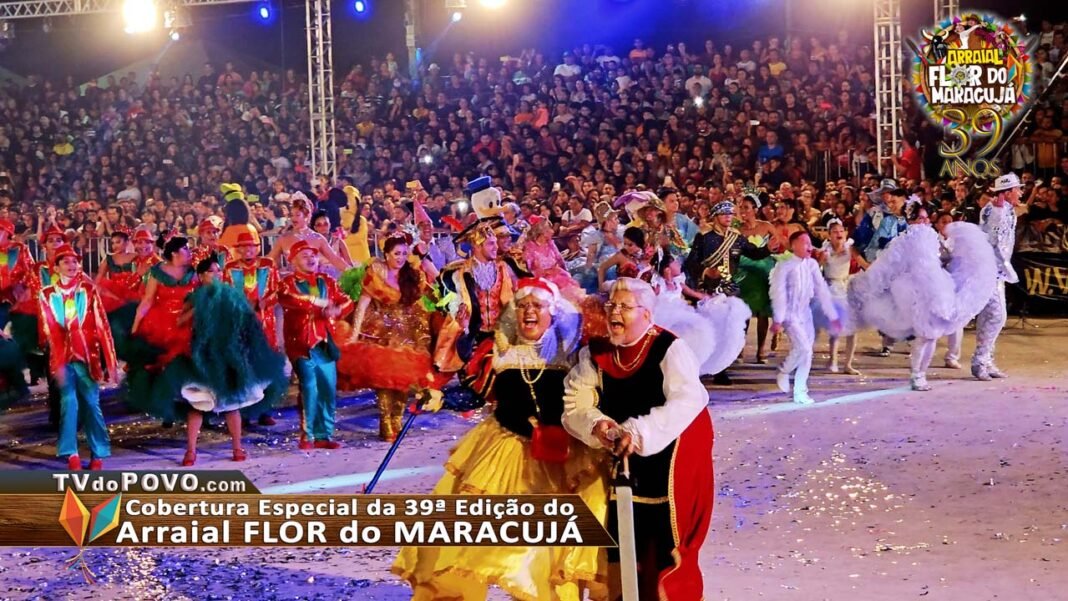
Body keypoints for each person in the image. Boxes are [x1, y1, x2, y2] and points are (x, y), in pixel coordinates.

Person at [393, 278, 609, 601]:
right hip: (505, 451)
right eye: (522, 306)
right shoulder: (499, 352)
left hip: (562, 453)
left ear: (552, 312)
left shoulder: (572, 352)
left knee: (550, 544)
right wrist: (441, 399)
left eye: (537, 306)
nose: (528, 313)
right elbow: (475, 395)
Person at [563, 277, 713, 601]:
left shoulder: (669, 348)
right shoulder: (596, 352)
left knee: (664, 542)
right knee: (620, 540)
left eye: (625, 307)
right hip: (618, 461)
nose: (615, 312)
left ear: (646, 314)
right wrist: (598, 425)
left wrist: (638, 431)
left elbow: (688, 399)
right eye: (611, 306)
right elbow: (576, 401)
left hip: (671, 459)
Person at [847, 203, 996, 391]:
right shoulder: (905, 240)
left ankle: (921, 373)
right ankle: (917, 374)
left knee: (931, 336)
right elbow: (891, 264)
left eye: (926, 218)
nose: (924, 221)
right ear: (912, 221)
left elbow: (945, 259)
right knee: (925, 335)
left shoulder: (932, 239)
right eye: (920, 218)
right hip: (916, 292)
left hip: (937, 289)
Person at [339, 232, 446, 441]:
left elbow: (432, 293)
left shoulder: (412, 274)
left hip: (409, 331)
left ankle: (397, 417)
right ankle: (385, 420)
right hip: (380, 330)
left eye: (404, 254)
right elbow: (362, 304)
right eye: (397, 253)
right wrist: (353, 335)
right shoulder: (376, 274)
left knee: (403, 379)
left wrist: (448, 300)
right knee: (384, 379)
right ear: (386, 254)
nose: (401, 258)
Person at [177, 257, 285, 465]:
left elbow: (247, 320)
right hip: (202, 355)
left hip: (229, 354)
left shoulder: (231, 295)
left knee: (232, 404)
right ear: (201, 276)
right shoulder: (193, 297)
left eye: (218, 271)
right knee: (197, 404)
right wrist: (197, 309)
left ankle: (237, 447)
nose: (216, 275)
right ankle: (190, 451)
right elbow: (180, 322)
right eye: (211, 272)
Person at [38, 244, 119, 470]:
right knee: (68, 403)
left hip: (87, 356)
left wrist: (110, 362)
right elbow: (48, 328)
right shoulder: (46, 294)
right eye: (66, 262)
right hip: (62, 358)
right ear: (56, 267)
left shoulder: (89, 290)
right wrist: (57, 359)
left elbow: (103, 327)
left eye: (75, 262)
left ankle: (98, 453)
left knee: (92, 404)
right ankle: (71, 452)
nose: (72, 266)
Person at [683, 201, 771, 384]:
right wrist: (705, 272)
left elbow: (754, 253)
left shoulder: (736, 237)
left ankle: (722, 367)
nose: (728, 217)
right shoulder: (704, 237)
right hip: (709, 289)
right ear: (716, 216)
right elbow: (691, 263)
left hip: (730, 288)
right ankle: (704, 367)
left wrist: (769, 249)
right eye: (724, 214)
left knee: (731, 329)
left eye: (731, 214)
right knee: (709, 330)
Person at [279, 240, 354, 450]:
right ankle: (308, 435)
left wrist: (337, 311)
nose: (311, 259)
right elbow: (289, 299)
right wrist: (317, 302)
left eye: (313, 255)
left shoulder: (327, 281)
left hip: (325, 342)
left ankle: (324, 434)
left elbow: (347, 301)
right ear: (292, 261)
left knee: (328, 389)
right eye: (304, 256)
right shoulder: (288, 283)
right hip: (301, 344)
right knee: (310, 387)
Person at [650, 250, 752, 377]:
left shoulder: (678, 283)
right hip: (665, 318)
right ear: (667, 269)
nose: (678, 265)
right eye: (675, 263)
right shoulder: (658, 285)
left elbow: (695, 294)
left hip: (681, 316)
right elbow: (650, 299)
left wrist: (711, 298)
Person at [770, 231, 840, 404]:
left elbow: (821, 290)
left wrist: (832, 315)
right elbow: (778, 293)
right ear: (793, 245)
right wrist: (778, 319)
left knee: (807, 354)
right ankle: (784, 371)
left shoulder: (812, 265)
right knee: (804, 349)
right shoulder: (784, 266)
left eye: (810, 243)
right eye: (805, 243)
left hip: (805, 313)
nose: (809, 247)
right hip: (790, 314)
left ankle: (800, 392)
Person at [223, 230, 285, 426]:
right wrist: (241, 304)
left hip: (265, 323)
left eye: (251, 246)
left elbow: (278, 290)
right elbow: (226, 294)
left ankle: (265, 410)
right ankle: (244, 410)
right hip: (240, 324)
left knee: (266, 366)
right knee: (244, 366)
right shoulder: (230, 268)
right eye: (243, 247)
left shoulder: (268, 265)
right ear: (238, 250)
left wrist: (266, 302)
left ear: (256, 248)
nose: (247, 250)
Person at [972, 173, 1021, 381]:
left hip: (999, 271)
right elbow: (991, 238)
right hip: (988, 270)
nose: (1020, 192)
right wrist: (998, 212)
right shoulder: (992, 210)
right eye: (1017, 189)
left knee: (990, 317)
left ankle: (985, 361)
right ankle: (980, 361)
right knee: (996, 316)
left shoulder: (1010, 210)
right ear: (1008, 192)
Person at [816, 219, 865, 374]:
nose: (839, 234)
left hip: (847, 287)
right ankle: (833, 361)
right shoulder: (825, 251)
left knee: (853, 328)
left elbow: (865, 264)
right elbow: (815, 268)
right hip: (831, 288)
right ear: (829, 235)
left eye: (841, 231)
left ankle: (848, 364)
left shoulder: (850, 249)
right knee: (836, 327)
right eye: (835, 232)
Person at [735, 192, 778, 363]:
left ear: (755, 209)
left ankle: (761, 349)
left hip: (763, 271)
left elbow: (779, 243)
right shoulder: (738, 229)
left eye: (746, 207)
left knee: (762, 312)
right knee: (743, 310)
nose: (743, 211)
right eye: (741, 207)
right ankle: (739, 348)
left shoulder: (766, 226)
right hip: (744, 272)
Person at [268, 196, 350, 273]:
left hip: (314, 284)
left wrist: (353, 273)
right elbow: (269, 260)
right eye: (291, 215)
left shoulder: (318, 238)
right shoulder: (284, 238)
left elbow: (335, 260)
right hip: (291, 284)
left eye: (297, 215)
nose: (293, 218)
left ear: (307, 216)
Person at [311, 209, 354, 279]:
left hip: (339, 278)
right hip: (320, 279)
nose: (323, 227)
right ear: (315, 228)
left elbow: (349, 262)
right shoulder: (312, 244)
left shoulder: (338, 241)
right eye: (319, 225)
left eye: (325, 224)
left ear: (330, 225)